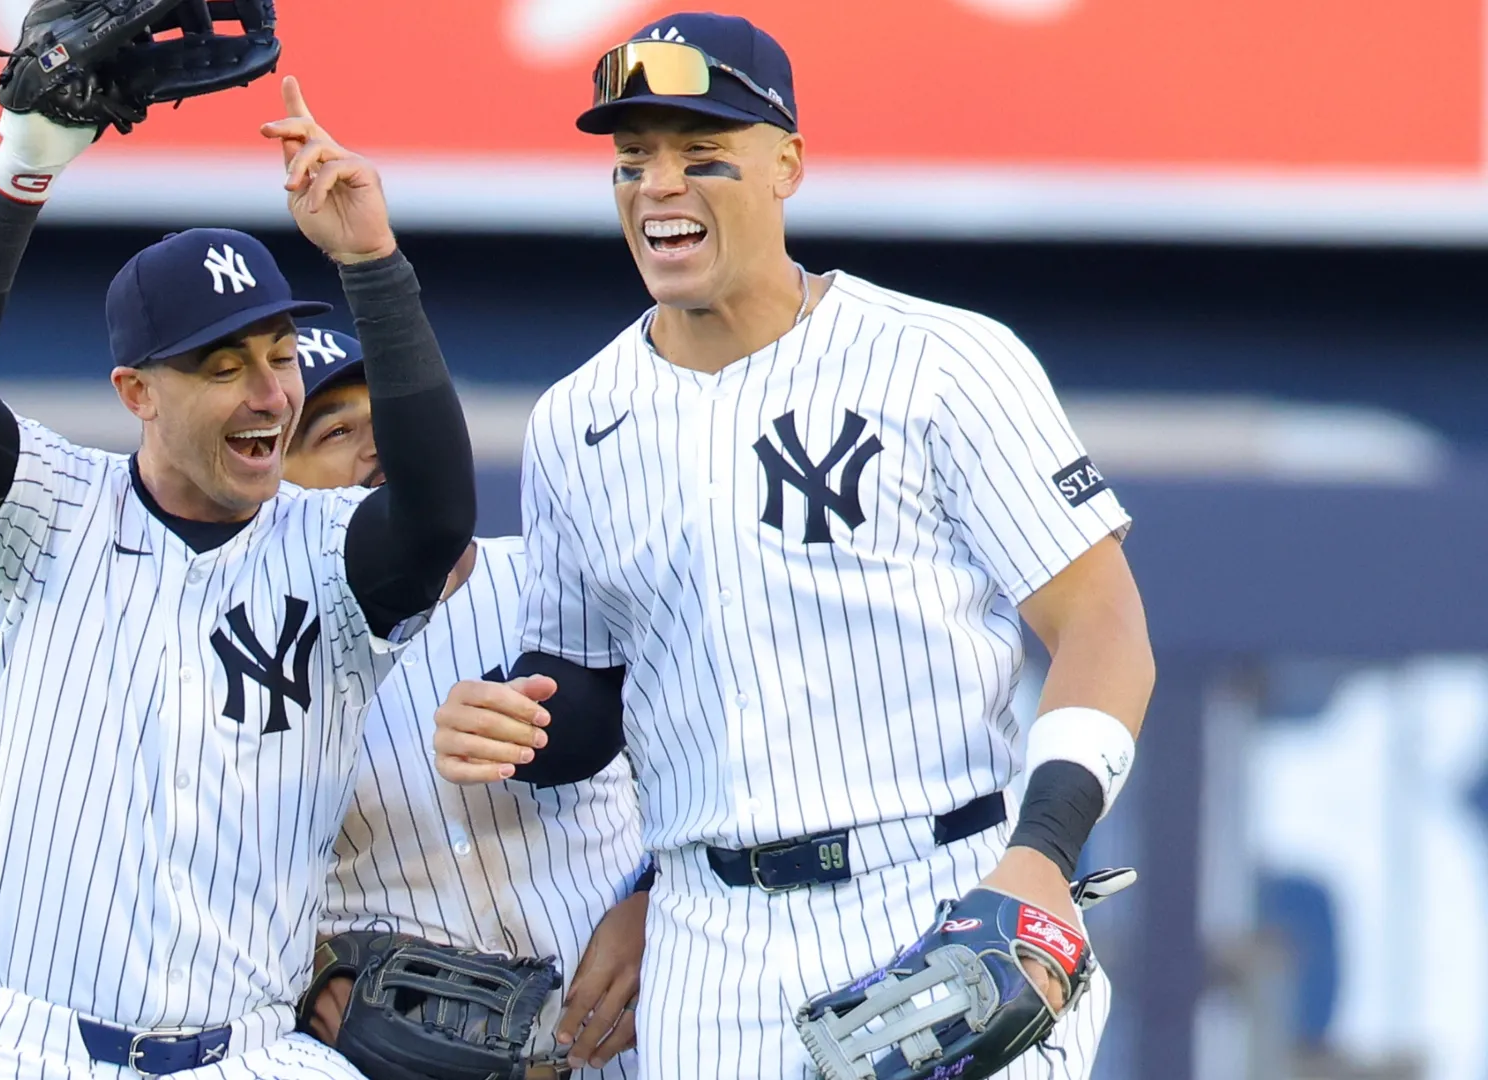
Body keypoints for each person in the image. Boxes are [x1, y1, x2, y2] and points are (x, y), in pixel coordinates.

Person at [432, 12, 1154, 1080]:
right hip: (709, 942)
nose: (658, 187)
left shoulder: (941, 361)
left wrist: (1040, 858)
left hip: (939, 892)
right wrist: (514, 719)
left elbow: (1103, 623)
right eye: (633, 162)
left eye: (702, 156)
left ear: (788, 167)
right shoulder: (578, 420)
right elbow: (589, 694)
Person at [0, 66, 476, 1079]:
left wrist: (374, 263)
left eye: (281, 353)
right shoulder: (46, 513)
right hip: (38, 1048)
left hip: (250, 1054)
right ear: (136, 392)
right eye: (221, 366)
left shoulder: (330, 549)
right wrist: (23, 169)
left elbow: (437, 516)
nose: (268, 393)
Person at [281, 330, 649, 1077]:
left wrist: (655, 905)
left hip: (627, 1042)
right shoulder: (266, 650)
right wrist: (306, 972)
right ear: (280, 476)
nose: (377, 449)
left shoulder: (556, 582)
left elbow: (716, 768)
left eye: (390, 420)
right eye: (336, 431)